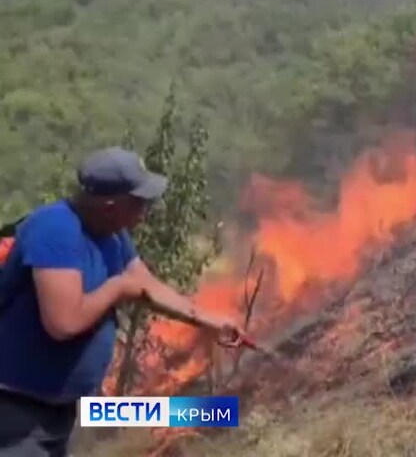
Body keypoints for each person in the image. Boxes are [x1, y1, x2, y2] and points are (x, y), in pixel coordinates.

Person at [0, 147, 239, 456]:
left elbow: (146, 284)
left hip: (55, 410)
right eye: (139, 203)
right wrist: (117, 288)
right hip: (16, 410)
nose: (146, 210)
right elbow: (63, 323)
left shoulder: (111, 233)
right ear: (110, 206)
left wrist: (207, 319)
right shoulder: (55, 230)